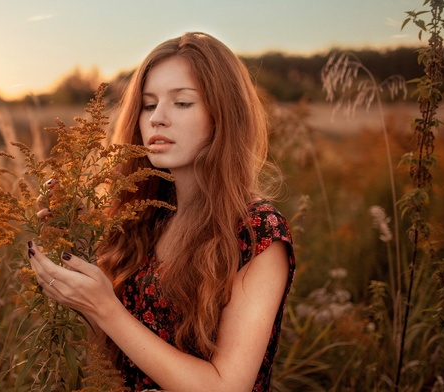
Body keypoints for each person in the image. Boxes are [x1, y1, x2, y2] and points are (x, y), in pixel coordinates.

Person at [28, 31, 295, 392]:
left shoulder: (258, 231)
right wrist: (77, 247)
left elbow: (226, 386)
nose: (157, 119)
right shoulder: (145, 219)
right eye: (149, 104)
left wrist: (106, 308)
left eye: (182, 103)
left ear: (224, 115)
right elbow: (123, 346)